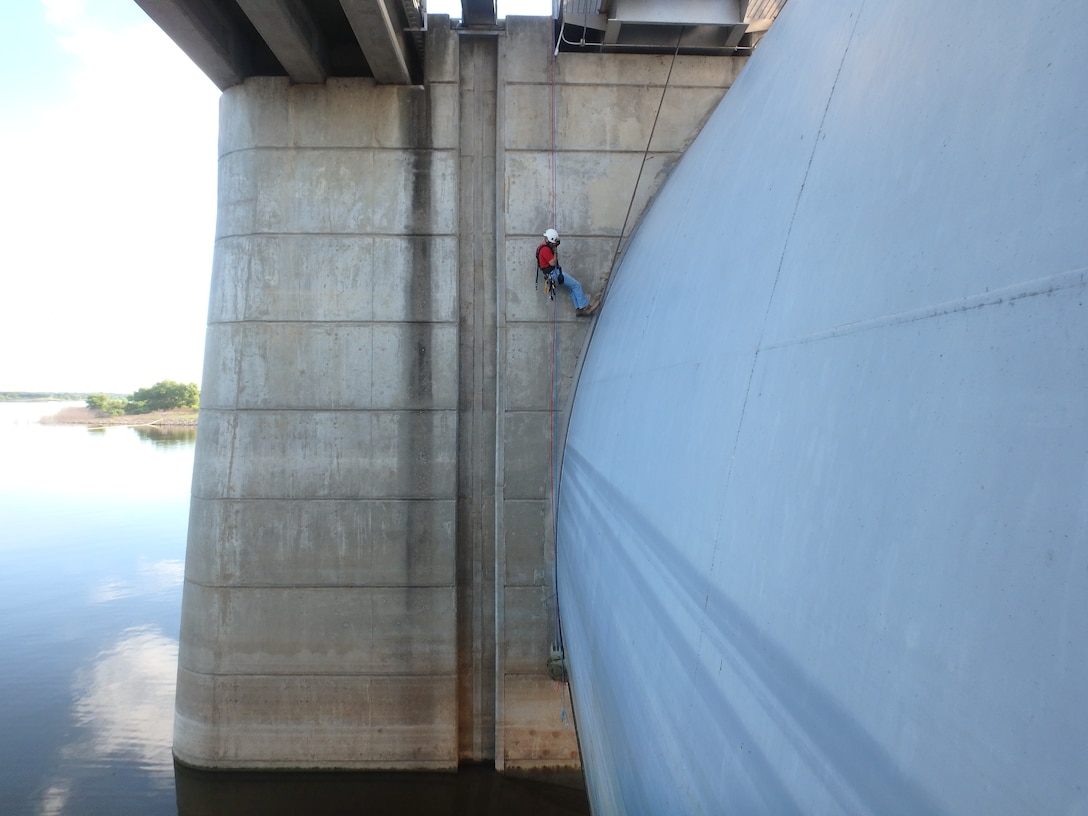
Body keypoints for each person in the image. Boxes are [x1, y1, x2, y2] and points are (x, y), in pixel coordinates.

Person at [537, 229, 600, 316]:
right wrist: (555, 252)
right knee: (576, 285)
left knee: (572, 287)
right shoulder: (545, 250)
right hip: (554, 274)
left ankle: (579, 309)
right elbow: (552, 262)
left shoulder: (541, 247)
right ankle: (585, 308)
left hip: (551, 275)